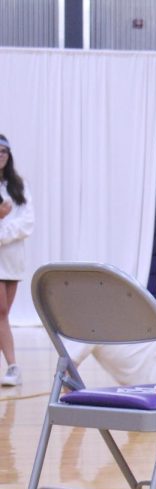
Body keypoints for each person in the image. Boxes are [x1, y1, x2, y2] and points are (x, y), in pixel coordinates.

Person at [0, 134, 35, 386]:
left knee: (4, 314)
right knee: (0, 313)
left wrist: (2, 233)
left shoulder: (18, 185)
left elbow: (26, 222)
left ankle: (12, 367)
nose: (0, 155)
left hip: (13, 260)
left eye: (4, 151)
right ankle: (13, 365)